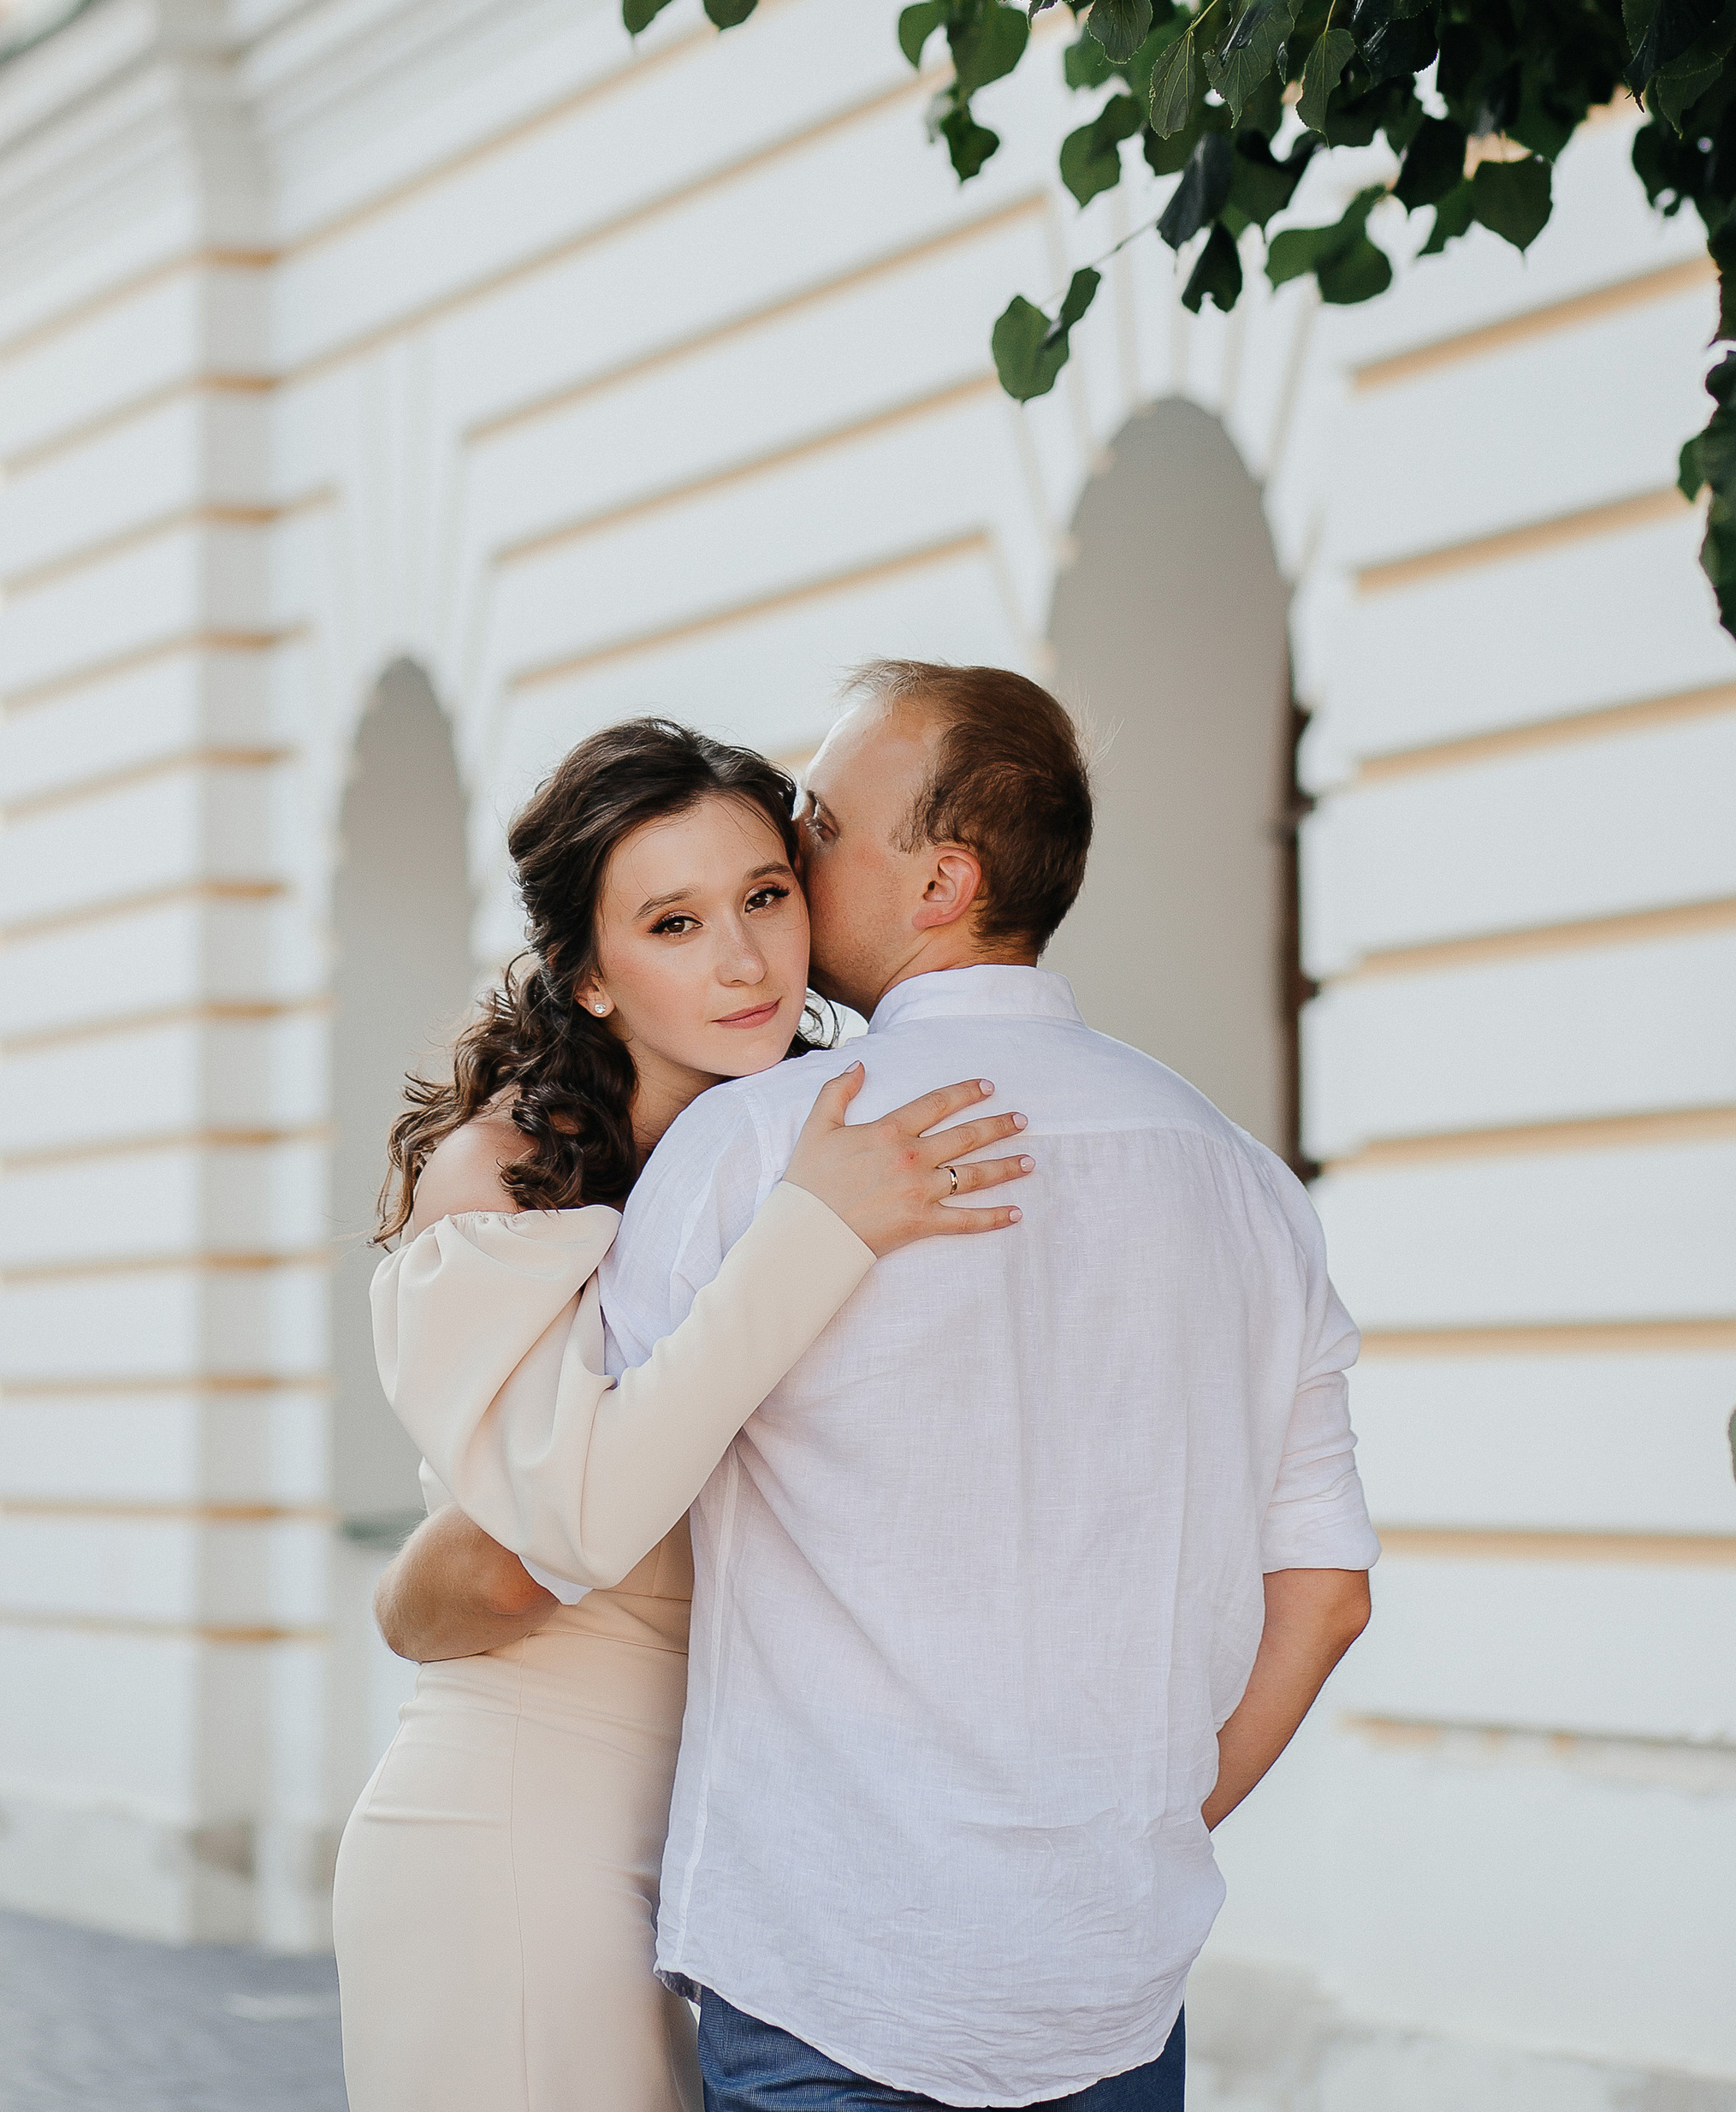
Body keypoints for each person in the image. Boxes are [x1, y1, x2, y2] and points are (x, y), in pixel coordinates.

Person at [387, 660, 1377, 2112]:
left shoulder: (756, 1143)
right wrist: (1133, 1827)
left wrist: (400, 1603)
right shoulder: (1249, 1182)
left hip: (828, 1965)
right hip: (1106, 1979)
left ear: (943, 881)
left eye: (819, 829)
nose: (792, 850)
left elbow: (557, 1527)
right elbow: (1330, 1591)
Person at [334, 717, 1033, 2112]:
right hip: (531, 1827)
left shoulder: (823, 1130)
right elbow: (569, 1527)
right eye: (673, 921)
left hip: (759, 1851)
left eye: (766, 897)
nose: (742, 959)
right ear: (589, 975)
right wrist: (811, 1237)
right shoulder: (506, 1176)